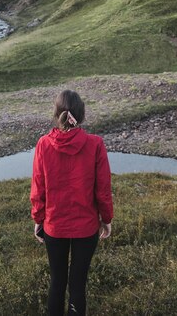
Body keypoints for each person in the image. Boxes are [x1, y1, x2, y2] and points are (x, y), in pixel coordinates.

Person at [30, 89, 113, 316]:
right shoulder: (95, 144)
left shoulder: (43, 144)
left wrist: (38, 219)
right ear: (82, 114)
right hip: (86, 228)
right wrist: (106, 219)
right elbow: (103, 189)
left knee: (57, 281)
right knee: (77, 284)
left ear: (56, 114)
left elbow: (38, 189)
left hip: (54, 226)